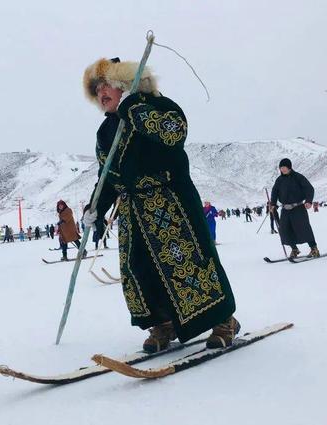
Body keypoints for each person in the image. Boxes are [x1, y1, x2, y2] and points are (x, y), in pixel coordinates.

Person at [80, 57, 238, 351]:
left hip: (169, 201)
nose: (102, 93)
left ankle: (224, 320)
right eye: (97, 89)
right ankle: (162, 325)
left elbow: (173, 133)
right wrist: (95, 209)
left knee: (189, 263)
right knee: (140, 270)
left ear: (125, 86)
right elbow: (107, 178)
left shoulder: (158, 106)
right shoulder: (105, 132)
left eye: (108, 86)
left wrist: (134, 109)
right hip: (133, 211)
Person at [270, 158, 320, 258]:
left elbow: (309, 188)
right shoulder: (279, 180)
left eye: (284, 167)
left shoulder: (298, 177)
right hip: (285, 209)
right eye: (281, 168)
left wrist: (309, 201)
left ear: (289, 167)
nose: (282, 169)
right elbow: (274, 192)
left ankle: (314, 249)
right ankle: (294, 249)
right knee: (285, 230)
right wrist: (273, 204)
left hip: (298, 208)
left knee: (304, 228)